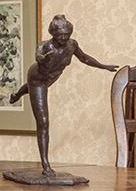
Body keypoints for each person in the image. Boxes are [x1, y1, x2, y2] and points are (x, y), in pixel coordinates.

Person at [9, 14, 116, 175]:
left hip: (51, 78)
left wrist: (103, 66)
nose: (64, 38)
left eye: (67, 34)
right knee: (43, 122)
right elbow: (38, 56)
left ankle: (17, 94)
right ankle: (45, 166)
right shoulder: (44, 46)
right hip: (38, 79)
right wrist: (43, 59)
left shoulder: (72, 45)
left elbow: (85, 58)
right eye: (60, 35)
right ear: (53, 34)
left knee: (31, 91)